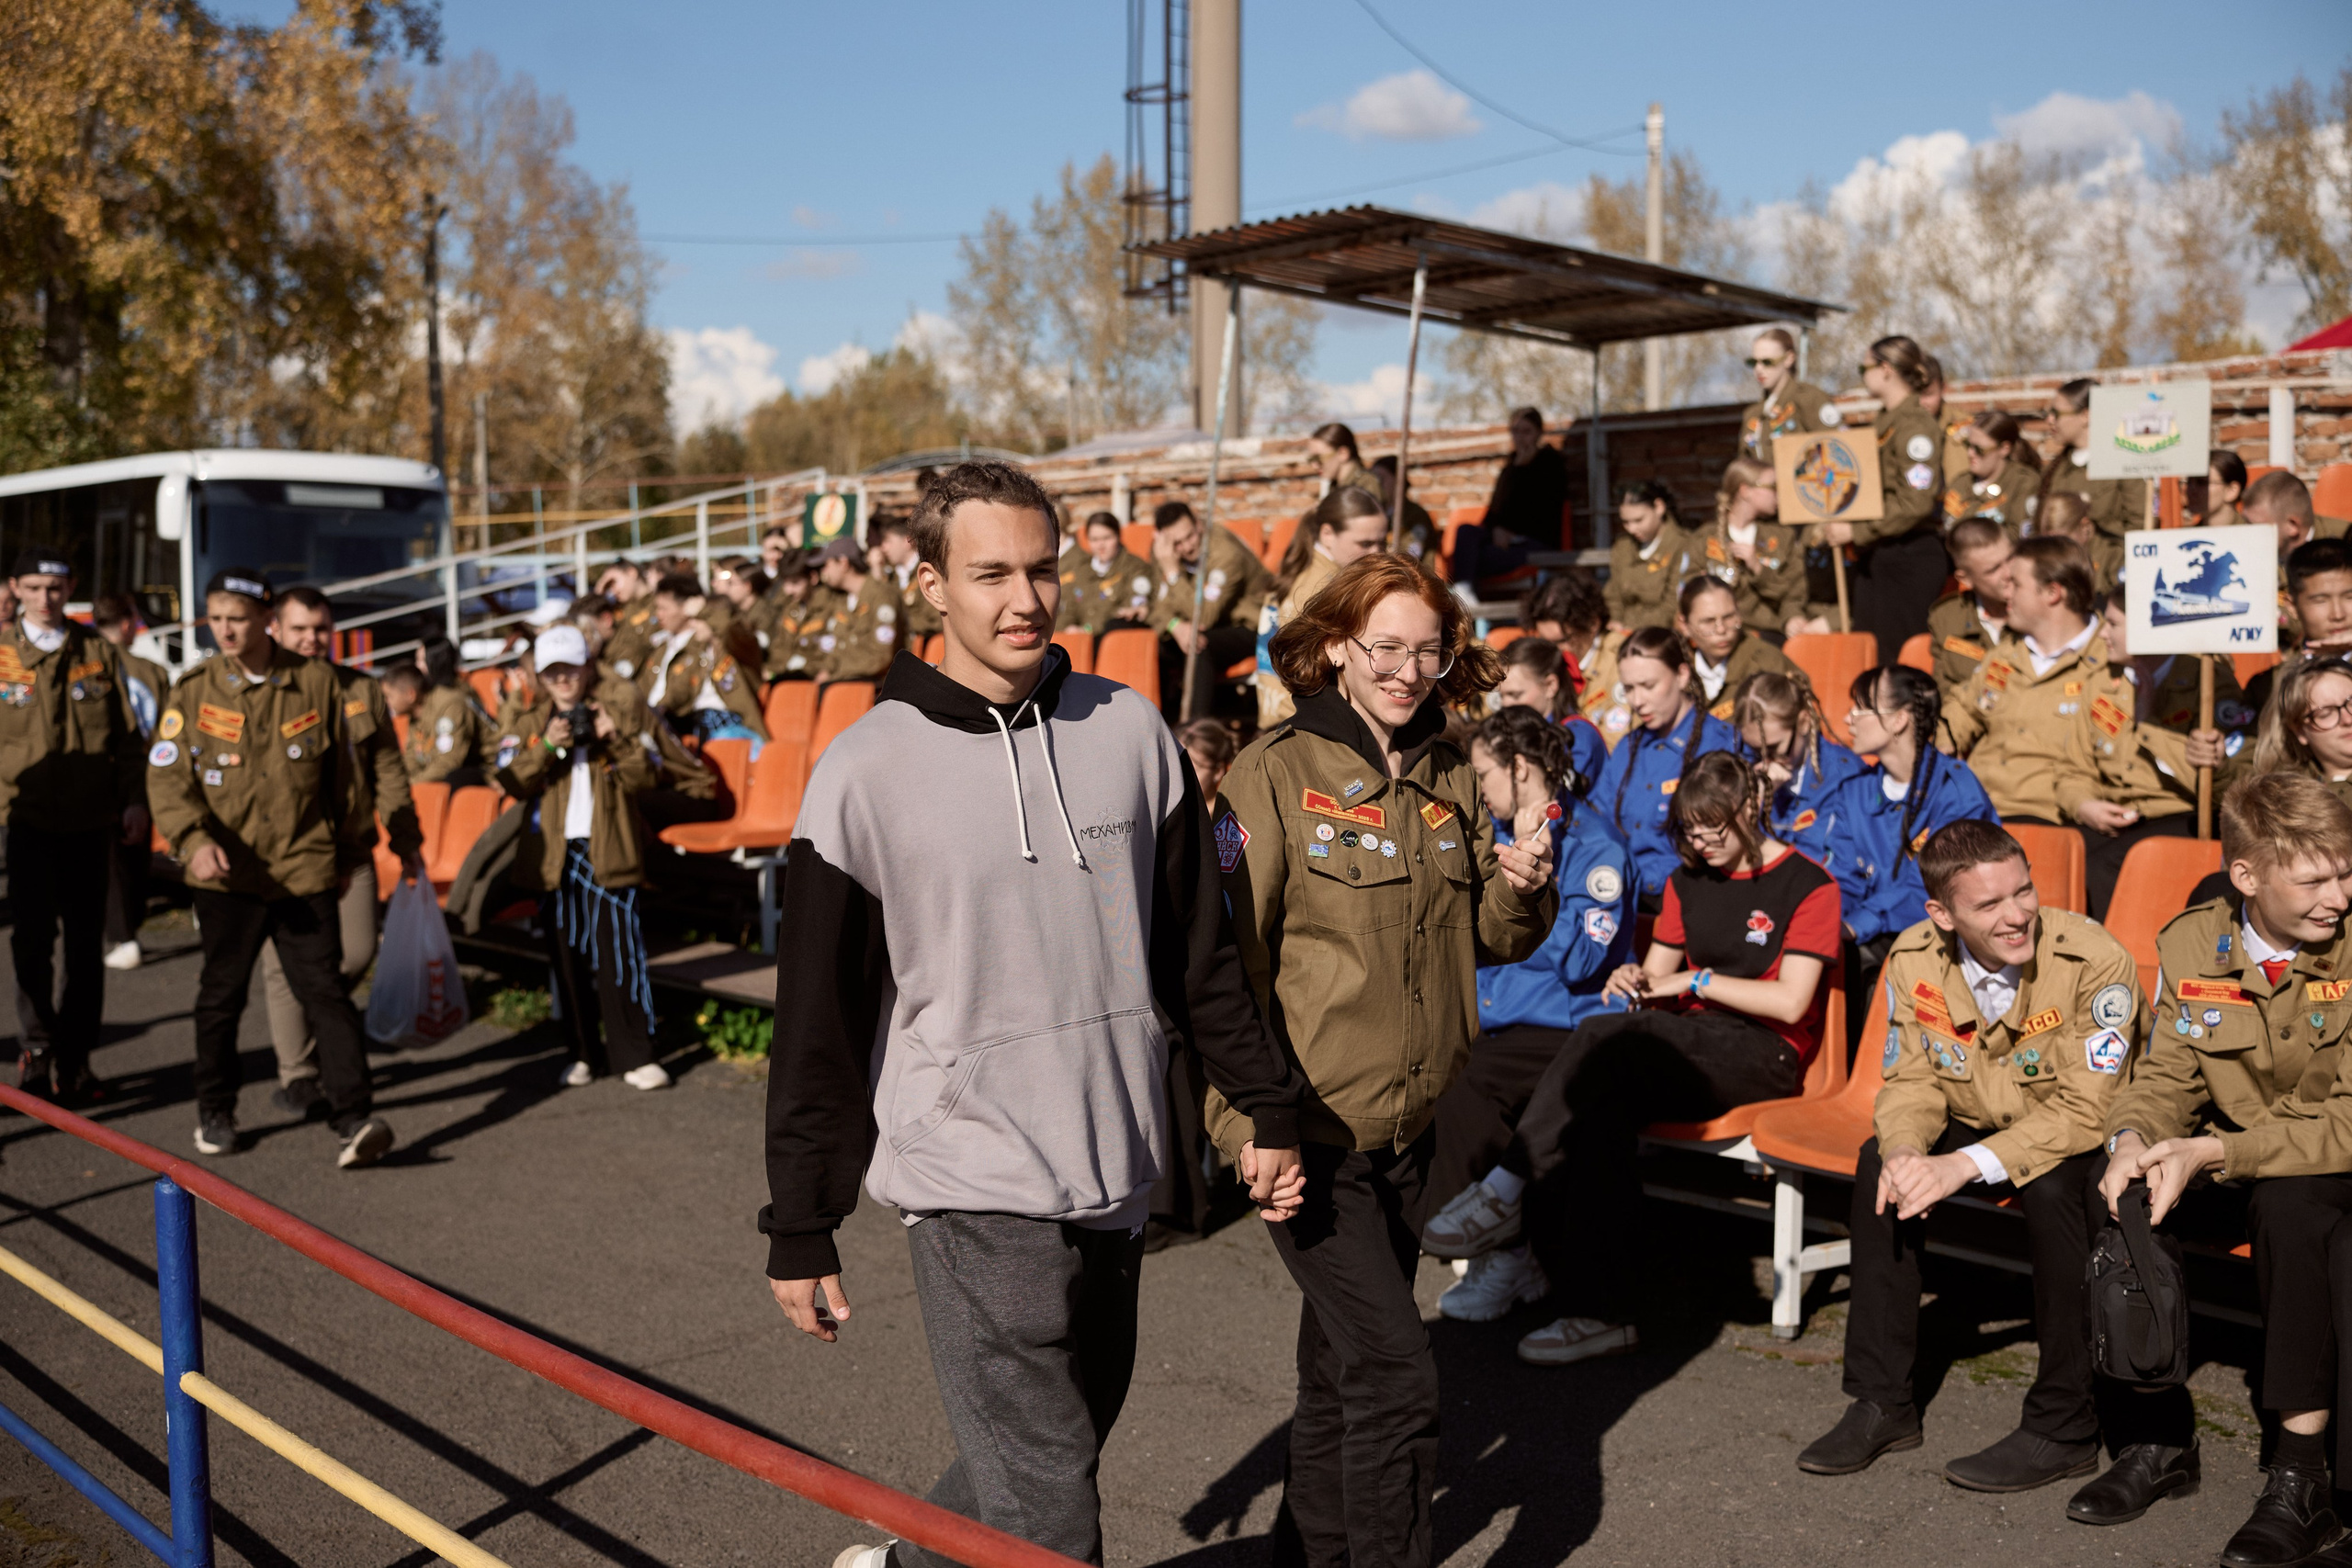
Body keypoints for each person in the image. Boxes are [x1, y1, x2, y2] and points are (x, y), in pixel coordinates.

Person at [763, 461, 1306, 1568]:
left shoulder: (1130, 732)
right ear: (929, 584)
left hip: (1112, 1150)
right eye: (991, 574)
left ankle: (909, 1565)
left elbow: (1198, 956)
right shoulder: (863, 770)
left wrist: (1264, 1103)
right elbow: (819, 1018)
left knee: (1051, 1446)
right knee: (1051, 1508)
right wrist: (802, 1219)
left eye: (1043, 570)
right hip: (968, 1166)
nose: (1026, 600)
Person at [1216, 551, 1554, 1568]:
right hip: (1308, 1135)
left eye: (1428, 651)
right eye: (1387, 649)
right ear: (1334, 649)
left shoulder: (1451, 770)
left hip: (1410, 1134)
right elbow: (1224, 968)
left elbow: (1492, 936)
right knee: (1400, 1377)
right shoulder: (1272, 772)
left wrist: (1524, 881)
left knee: (1341, 1371)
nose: (1409, 671)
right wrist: (1251, 1122)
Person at [1798, 820, 2139, 1490]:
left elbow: (2086, 1110)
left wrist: (1960, 1165)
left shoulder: (2093, 958)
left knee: (2056, 1188)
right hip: (1976, 1113)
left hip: (2070, 1132)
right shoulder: (1914, 956)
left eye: (2024, 891)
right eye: (1989, 904)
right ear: (1942, 914)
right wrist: (1906, 1149)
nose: (2017, 915)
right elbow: (1913, 1080)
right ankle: (1882, 1401)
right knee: (1882, 1166)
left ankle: (2065, 1424)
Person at [1475, 750, 1834, 1365]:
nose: (1701, 842)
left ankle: (1505, 1187)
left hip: (1764, 1052)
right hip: (1688, 1043)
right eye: (1690, 830)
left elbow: (1790, 1001)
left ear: (1748, 810)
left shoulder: (1809, 883)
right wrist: (1632, 978)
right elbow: (1653, 978)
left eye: (1712, 828)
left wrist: (1696, 982)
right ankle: (1599, 1313)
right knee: (1600, 1105)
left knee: (1603, 1042)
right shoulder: (1686, 881)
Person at [2088, 773, 2352, 1561]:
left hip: (2322, 1159)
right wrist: (2131, 1137)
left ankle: (2301, 1478)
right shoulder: (2194, 942)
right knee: (2121, 1188)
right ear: (2247, 876)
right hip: (2233, 1150)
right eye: (2314, 880)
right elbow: (2167, 1074)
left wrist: (2214, 1151)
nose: (2339, 896)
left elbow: (2345, 1123)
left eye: (2346, 872)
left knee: (2294, 1207)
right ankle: (2156, 1436)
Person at [148, 569, 392, 1167]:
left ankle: (354, 1117)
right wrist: (193, 839)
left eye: (237, 618)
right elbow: (168, 777)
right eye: (216, 618)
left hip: (302, 868)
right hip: (226, 874)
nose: (225, 630)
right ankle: (216, 1110)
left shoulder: (316, 682)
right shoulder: (194, 688)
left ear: (266, 620)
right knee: (221, 996)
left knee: (326, 992)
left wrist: (347, 852)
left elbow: (345, 782)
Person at [1424, 705, 1635, 1325]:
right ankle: (1505, 1249)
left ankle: (1505, 1251)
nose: (1479, 787)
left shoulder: (1594, 846)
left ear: (1519, 768)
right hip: (1492, 1021)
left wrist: (1536, 885)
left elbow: (1579, 960)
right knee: (1430, 1064)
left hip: (1562, 1029)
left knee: (1465, 1081)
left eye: (1485, 773)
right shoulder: (1485, 834)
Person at [259, 587, 422, 1119]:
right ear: (275, 629)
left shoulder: (361, 689)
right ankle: (299, 1074)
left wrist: (405, 837)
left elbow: (388, 769)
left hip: (351, 849)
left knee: (354, 953)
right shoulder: (263, 691)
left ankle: (323, 1031)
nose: (312, 639)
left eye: (320, 629)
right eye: (300, 629)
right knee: (286, 967)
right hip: (284, 857)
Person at [0, 548, 148, 1102]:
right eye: (34, 588)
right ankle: (37, 1050)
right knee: (32, 943)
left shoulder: (98, 652)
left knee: (86, 948)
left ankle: (76, 1057)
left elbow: (128, 739)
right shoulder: (1, 654)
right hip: (24, 822)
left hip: (89, 824)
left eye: (56, 588)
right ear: (15, 588)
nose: (45, 598)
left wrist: (135, 800)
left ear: (71, 588)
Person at [496, 624, 671, 1090]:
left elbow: (648, 777)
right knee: (567, 957)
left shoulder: (616, 710)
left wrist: (613, 737)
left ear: (587, 668)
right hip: (553, 854)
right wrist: (549, 744)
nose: (562, 680)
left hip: (609, 847)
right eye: (553, 672)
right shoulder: (530, 722)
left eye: (570, 669)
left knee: (621, 954)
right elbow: (509, 780)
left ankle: (636, 1053)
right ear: (540, 676)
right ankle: (581, 1052)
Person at [1827, 666, 1998, 961]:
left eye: (1860, 709)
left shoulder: (1955, 790)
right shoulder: (1854, 791)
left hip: (1944, 939)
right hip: (1871, 934)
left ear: (1899, 720)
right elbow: (1843, 876)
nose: (1847, 719)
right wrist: (1830, 922)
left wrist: (1856, 925)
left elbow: (1931, 888)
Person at [1590, 626, 1738, 906]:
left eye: (1648, 686)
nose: (1637, 701)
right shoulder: (1627, 748)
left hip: (1698, 899)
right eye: (1629, 689)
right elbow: (1601, 825)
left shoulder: (1721, 745)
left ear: (1682, 675)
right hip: (1627, 899)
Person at [1822, 336, 1947, 652]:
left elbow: (1915, 501)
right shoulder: (1886, 421)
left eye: (1864, 368)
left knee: (1898, 658)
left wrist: (1857, 530)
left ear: (1886, 369)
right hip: (1882, 554)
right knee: (1874, 656)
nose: (1863, 376)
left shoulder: (1914, 426)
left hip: (1908, 556)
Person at [1257, 485, 1389, 729]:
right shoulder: (1322, 588)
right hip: (1308, 723)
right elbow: (1315, 672)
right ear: (1327, 534)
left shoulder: (1309, 571)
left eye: (1382, 542)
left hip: (1284, 714)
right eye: (1365, 543)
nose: (1377, 553)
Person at [91, 593, 169, 973]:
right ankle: (127, 931)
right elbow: (167, 728)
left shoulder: (86, 668)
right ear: (127, 624)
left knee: (111, 859)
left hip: (102, 773)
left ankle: (123, 936)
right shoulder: (151, 671)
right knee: (133, 855)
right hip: (145, 771)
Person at [1148, 499, 1270, 723]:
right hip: (1200, 625)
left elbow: (1205, 615)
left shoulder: (1226, 554)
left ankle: (1195, 731)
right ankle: (1159, 726)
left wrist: (1173, 574)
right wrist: (1175, 625)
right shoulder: (1163, 552)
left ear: (1198, 524)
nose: (1187, 547)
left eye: (1190, 536)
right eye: (1177, 543)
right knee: (1155, 644)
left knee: (1199, 645)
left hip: (1249, 625)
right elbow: (1155, 608)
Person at [1732, 671, 1861, 869]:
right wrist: (1758, 800)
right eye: (1754, 750)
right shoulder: (1743, 764)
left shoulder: (1843, 777)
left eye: (1773, 748)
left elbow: (1825, 862)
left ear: (1804, 723)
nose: (1765, 761)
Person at [2035, 378, 2148, 590]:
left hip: (2108, 580)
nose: (2050, 420)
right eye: (2048, 413)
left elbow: (2140, 526)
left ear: (2086, 415)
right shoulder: (2056, 470)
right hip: (2061, 576)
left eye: (2056, 413)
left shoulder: (2122, 463)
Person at [640, 571, 772, 745]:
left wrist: (704, 611)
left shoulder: (731, 648)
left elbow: (731, 628)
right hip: (691, 725)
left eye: (664, 608)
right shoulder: (664, 648)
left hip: (732, 728)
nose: (693, 624)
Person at [1706, 456, 1826, 638]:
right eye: (1773, 487)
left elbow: (1794, 593)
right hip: (1717, 636)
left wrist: (1758, 568)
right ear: (1745, 491)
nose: (1779, 494)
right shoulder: (1703, 540)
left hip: (1769, 635)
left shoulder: (1783, 538)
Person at [1453, 406, 1569, 587]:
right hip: (1504, 542)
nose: (1520, 437)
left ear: (1538, 433)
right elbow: (1493, 513)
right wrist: (1497, 530)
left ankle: (1464, 589)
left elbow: (1544, 511)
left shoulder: (1550, 464)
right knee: (1466, 532)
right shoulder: (1510, 467)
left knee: (1475, 559)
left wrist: (1511, 534)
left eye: (1526, 432)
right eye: (1516, 431)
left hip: (1534, 543)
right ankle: (1464, 591)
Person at [1677, 575, 1804, 720]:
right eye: (1709, 621)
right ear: (1684, 625)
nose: (1721, 629)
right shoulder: (1674, 668)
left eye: (1729, 617)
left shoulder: (1767, 663)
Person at [1521, 572, 1626, 742]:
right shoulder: (1540, 660)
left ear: (1592, 624)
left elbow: (1617, 740)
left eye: (1563, 641)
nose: (1554, 651)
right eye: (1546, 642)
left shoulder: (1620, 661)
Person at [1492, 636, 1607, 788]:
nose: (1506, 704)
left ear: (1550, 686)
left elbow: (1559, 796)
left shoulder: (1577, 737)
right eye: (1502, 696)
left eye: (1516, 695)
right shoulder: (1512, 732)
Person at [1925, 517, 2014, 708]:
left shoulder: (2040, 609)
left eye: (2010, 559)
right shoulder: (1947, 619)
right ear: (1965, 578)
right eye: (1993, 569)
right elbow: (1946, 696)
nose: (2008, 574)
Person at [385, 634, 488, 784]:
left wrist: (412, 784)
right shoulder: (424, 702)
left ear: (437, 663)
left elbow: (449, 761)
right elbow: (413, 755)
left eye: (421, 661)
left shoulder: (454, 700)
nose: (417, 667)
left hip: (479, 769)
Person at [1736, 327, 1843, 462]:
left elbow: (1837, 448)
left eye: (1767, 362)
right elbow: (1744, 464)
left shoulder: (1809, 399)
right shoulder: (1753, 414)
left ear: (1789, 358)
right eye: (1753, 362)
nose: (1758, 369)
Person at [1602, 479, 1696, 632]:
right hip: (1621, 631)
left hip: (1662, 633)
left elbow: (1673, 605)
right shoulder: (1623, 547)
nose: (1632, 529)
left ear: (1659, 507)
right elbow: (1613, 595)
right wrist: (1615, 621)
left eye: (1638, 520)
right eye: (1626, 522)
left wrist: (1631, 629)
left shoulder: (1683, 545)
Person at [803, 538, 900, 684]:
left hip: (872, 684)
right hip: (844, 681)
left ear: (843, 563)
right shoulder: (842, 600)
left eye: (826, 565)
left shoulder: (881, 595)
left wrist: (838, 674)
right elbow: (835, 648)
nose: (823, 572)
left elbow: (881, 658)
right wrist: (826, 672)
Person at [1057, 511, 1157, 636]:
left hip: (1113, 636)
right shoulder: (1081, 570)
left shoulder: (1134, 567)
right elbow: (1069, 609)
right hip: (1080, 639)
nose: (1101, 545)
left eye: (1107, 538)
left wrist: (1088, 630)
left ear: (1118, 536)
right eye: (1094, 540)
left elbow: (1130, 609)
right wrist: (1066, 628)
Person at [1945, 411, 2042, 532]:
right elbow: (1947, 526)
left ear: (2004, 449)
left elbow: (2018, 534)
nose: (1970, 453)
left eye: (1979, 449)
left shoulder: (2023, 482)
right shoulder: (1961, 483)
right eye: (1968, 445)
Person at [874, 514, 944, 643]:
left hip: (923, 647)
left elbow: (937, 620)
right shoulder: (890, 576)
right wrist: (876, 570)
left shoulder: (929, 572)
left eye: (888, 541)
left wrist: (900, 623)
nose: (883, 548)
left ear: (907, 541)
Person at [1369, 456, 1439, 565]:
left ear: (1398, 481)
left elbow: (1411, 554)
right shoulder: (1378, 513)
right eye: (1374, 479)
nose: (1377, 484)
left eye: (1381, 478)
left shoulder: (1415, 515)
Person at [1177, 718, 1237, 818]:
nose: (1179, 776)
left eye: (1190, 770)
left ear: (1218, 771)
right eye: (1176, 766)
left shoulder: (1226, 821)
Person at [2203, 447, 2249, 527]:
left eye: (2202, 483)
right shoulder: (2184, 534)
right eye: (2189, 483)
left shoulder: (2255, 533)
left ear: (2231, 490)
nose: (2191, 490)